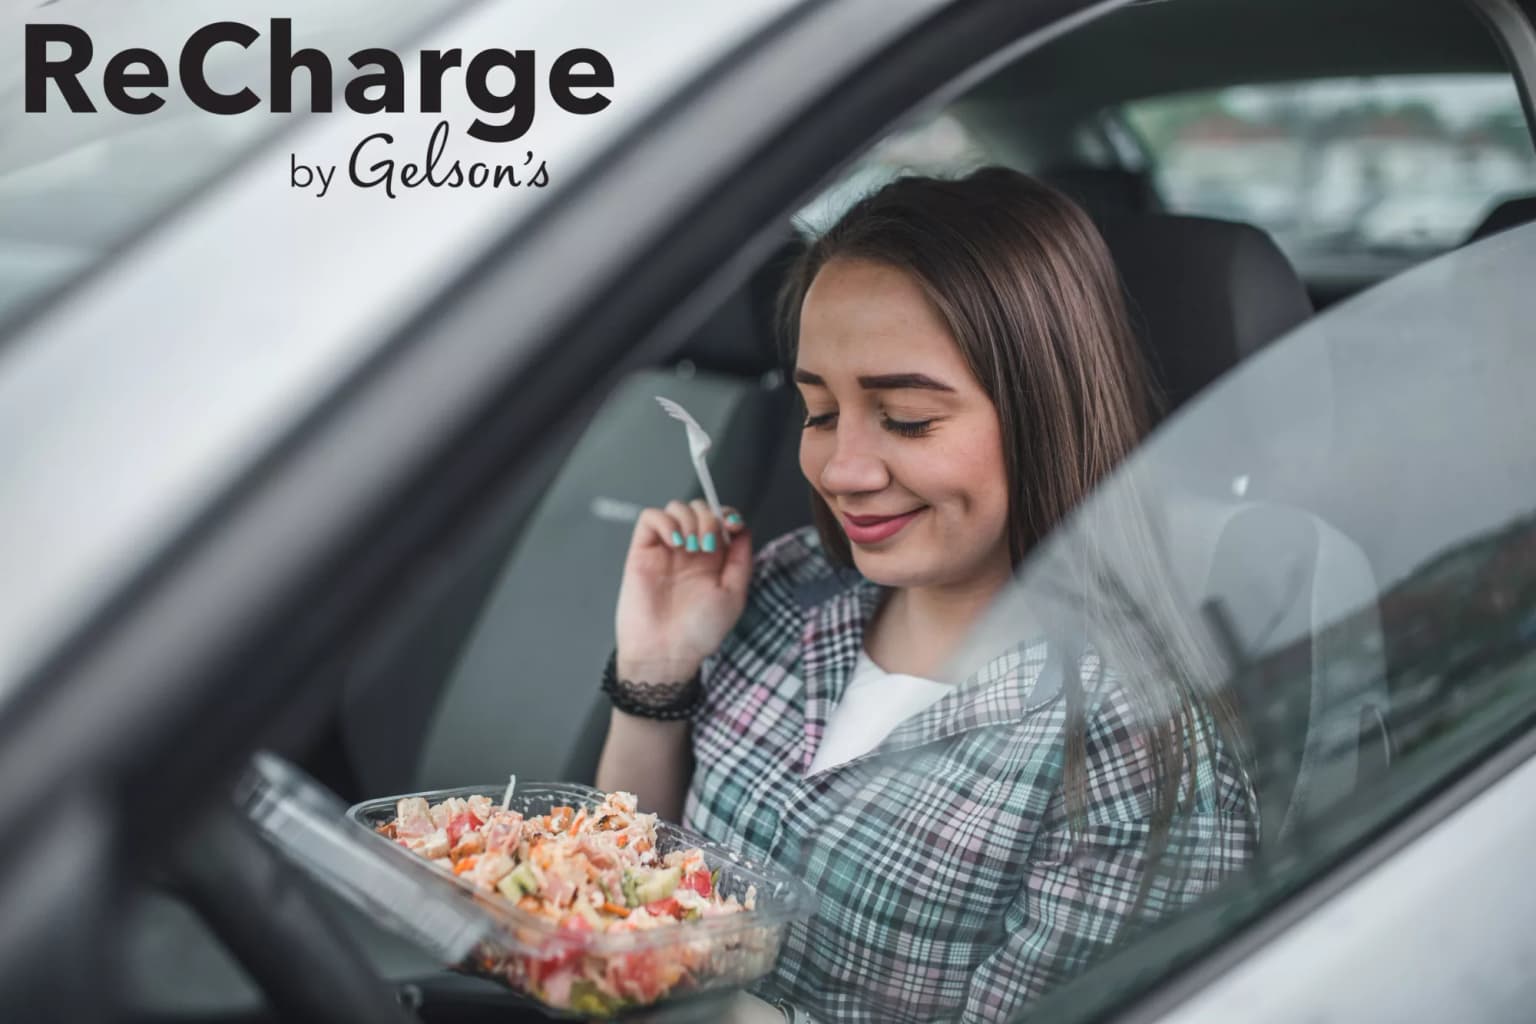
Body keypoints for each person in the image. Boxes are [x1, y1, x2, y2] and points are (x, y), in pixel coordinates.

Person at [595, 168, 1258, 1023]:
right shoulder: (786, 583)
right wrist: (657, 673)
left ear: (1042, 411)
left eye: (906, 418)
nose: (842, 471)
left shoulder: (1128, 750)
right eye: (820, 412)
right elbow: (615, 903)